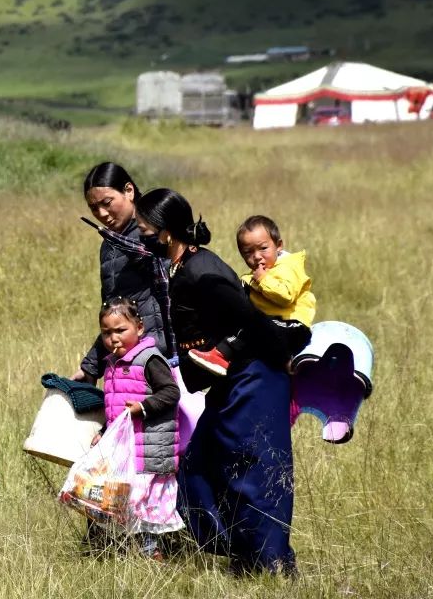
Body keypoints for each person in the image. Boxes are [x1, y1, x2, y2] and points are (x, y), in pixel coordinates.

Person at [135, 189, 296, 576]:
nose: (141, 236)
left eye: (144, 230)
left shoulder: (203, 271)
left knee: (254, 472)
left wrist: (285, 355)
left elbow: (252, 321)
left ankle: (273, 566)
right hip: (230, 382)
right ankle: (243, 554)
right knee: (200, 467)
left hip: (255, 379)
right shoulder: (180, 267)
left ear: (166, 232)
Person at [95, 297, 184, 560]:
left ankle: (151, 552)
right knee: (126, 501)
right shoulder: (111, 363)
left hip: (146, 448)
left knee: (141, 501)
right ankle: (139, 551)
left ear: (140, 328)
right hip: (125, 449)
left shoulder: (149, 359)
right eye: (107, 333)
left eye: (121, 330)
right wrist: (104, 431)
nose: (114, 339)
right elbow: (114, 407)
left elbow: (170, 392)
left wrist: (143, 408)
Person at [72, 162, 171, 386]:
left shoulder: (157, 233)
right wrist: (90, 367)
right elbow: (116, 313)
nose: (102, 214)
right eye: (94, 208)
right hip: (128, 363)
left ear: (129, 191)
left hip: (160, 363)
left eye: (107, 203)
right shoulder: (109, 246)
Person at [188, 215, 316, 376]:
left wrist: (262, 280)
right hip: (273, 325)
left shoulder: (288, 267)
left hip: (293, 327)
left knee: (251, 328)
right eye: (248, 252)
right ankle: (223, 358)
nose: (256, 256)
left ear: (279, 246)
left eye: (263, 248)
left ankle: (221, 356)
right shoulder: (255, 275)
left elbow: (286, 296)